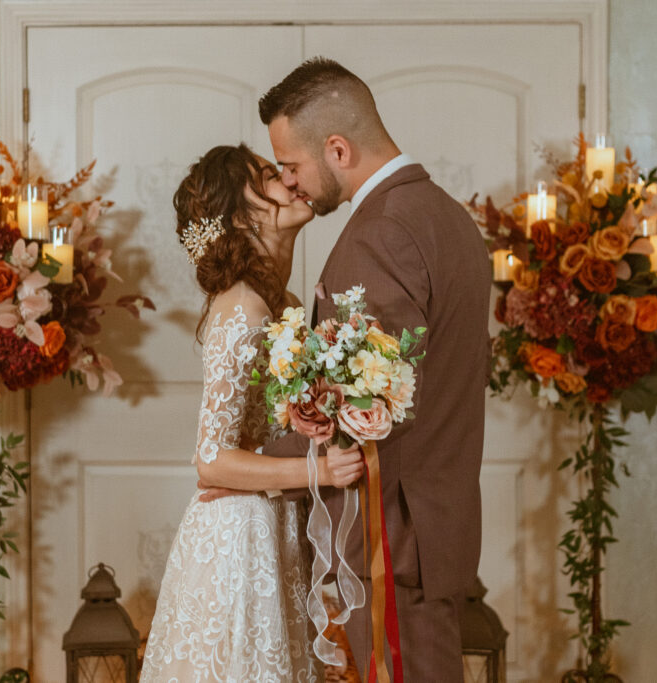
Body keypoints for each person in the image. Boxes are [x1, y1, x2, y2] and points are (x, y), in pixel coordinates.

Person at [224, 57, 492, 681]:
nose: (289, 182)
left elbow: (368, 407)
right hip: (433, 522)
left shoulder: (383, 232)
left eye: (291, 165)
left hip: (393, 533)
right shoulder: (445, 215)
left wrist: (256, 468)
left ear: (338, 149)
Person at [139, 144, 364, 681]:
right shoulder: (242, 308)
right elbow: (211, 461)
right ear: (240, 217)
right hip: (239, 538)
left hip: (276, 522)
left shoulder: (281, 302)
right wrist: (319, 471)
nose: (289, 180)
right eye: (268, 175)